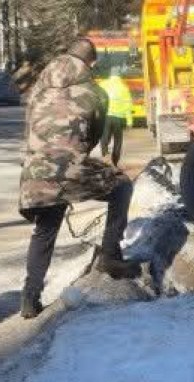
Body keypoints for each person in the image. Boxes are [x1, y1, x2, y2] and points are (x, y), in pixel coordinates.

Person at [18, 38, 140, 319]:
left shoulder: (37, 90)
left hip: (34, 171)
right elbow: (93, 138)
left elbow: (29, 131)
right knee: (122, 186)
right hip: (70, 167)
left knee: (45, 231)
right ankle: (110, 254)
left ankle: (29, 297)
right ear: (92, 62)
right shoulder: (94, 91)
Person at [100, 66, 134, 167]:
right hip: (118, 119)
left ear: (110, 74)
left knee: (104, 140)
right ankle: (114, 163)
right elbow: (128, 106)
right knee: (118, 141)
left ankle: (106, 159)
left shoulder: (102, 85)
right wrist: (129, 122)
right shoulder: (124, 87)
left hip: (105, 117)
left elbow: (97, 101)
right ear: (120, 75)